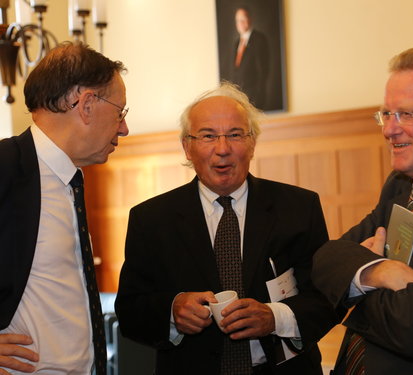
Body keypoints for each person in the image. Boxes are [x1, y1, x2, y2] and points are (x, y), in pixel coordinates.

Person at [115, 82, 342, 375]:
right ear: (187, 146)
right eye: (208, 136)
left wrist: (276, 317)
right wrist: (171, 312)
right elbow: (130, 312)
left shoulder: (299, 207)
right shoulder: (151, 219)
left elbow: (328, 299)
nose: (222, 149)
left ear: (252, 143)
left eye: (235, 135)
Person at [312, 46, 413, 374]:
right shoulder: (401, 184)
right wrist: (379, 272)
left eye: (406, 113)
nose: (389, 129)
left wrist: (354, 288)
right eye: (386, 114)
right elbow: (327, 258)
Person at [0, 42, 129, 374]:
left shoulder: (71, 178)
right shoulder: (4, 168)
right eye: (120, 112)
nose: (124, 128)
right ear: (86, 105)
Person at [230, 6, 269, 110]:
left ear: (250, 19)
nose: (240, 23)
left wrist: (257, 99)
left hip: (254, 100)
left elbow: (263, 72)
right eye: (238, 20)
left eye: (243, 19)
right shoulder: (237, 43)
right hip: (239, 100)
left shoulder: (259, 39)